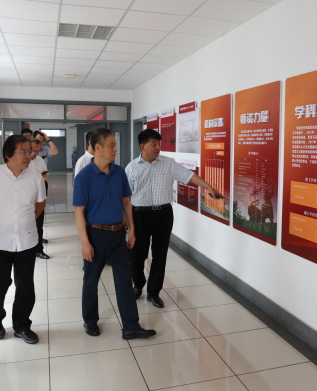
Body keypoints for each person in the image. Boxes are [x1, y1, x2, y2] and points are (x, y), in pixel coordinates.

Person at [73, 128, 156, 340]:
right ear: (98, 147)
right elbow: (78, 211)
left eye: (115, 145)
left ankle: (131, 326)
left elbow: (126, 202)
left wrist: (132, 229)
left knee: (124, 280)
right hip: (95, 234)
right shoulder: (84, 177)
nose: (115, 149)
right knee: (91, 280)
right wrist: (85, 242)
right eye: (111, 145)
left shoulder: (119, 172)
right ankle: (90, 320)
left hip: (118, 234)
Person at [125, 129, 222, 308]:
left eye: (159, 144)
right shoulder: (131, 167)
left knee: (160, 254)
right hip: (139, 214)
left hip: (163, 214)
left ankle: (154, 292)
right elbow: (125, 196)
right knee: (137, 254)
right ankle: (138, 285)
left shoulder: (168, 163)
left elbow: (189, 176)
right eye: (153, 144)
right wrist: (126, 220)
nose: (158, 147)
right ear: (142, 146)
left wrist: (208, 187)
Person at [0, 135, 46, 344]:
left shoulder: (35, 178)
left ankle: (22, 326)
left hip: (27, 241)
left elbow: (40, 204)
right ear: (8, 154)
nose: (29, 156)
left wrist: (26, 221)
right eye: (23, 152)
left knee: (25, 287)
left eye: (30, 152)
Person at [29, 138, 51, 259]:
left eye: (38, 151)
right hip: (27, 197)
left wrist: (39, 177)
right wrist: (38, 177)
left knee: (39, 222)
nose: (36, 154)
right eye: (33, 151)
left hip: (39, 195)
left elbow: (46, 177)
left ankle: (39, 249)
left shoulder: (39, 160)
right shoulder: (22, 161)